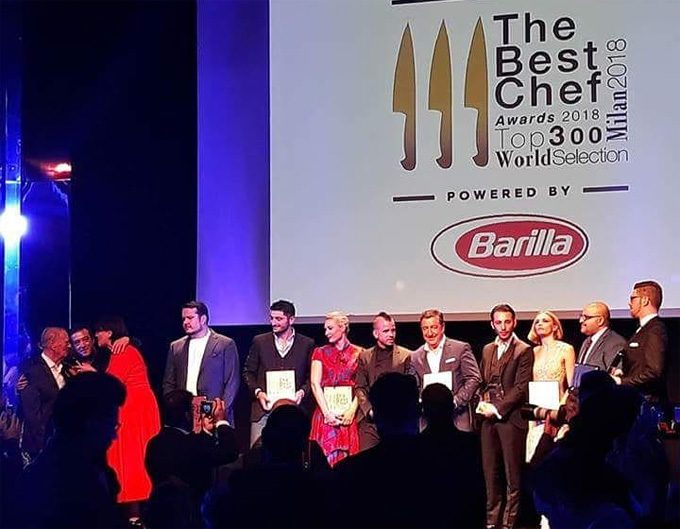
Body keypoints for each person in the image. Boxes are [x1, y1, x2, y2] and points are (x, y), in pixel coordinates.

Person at [11, 372, 127, 529]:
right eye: (110, 425)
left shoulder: (97, 469)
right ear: (90, 423)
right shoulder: (55, 483)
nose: (113, 436)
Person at [94, 317, 161, 520]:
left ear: (109, 332)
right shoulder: (115, 351)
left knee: (133, 458)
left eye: (99, 331)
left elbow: (111, 384)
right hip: (131, 408)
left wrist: (91, 374)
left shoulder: (123, 351)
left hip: (135, 411)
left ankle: (135, 513)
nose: (96, 335)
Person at [145, 390, 238, 528]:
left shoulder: (154, 444)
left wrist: (206, 432)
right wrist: (221, 422)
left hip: (160, 517)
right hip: (191, 517)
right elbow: (229, 452)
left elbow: (194, 451)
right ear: (187, 415)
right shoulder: (191, 445)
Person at [477, 304, 533, 529]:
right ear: (492, 324)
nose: (503, 327)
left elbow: (520, 388)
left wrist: (498, 408)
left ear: (514, 322)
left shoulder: (523, 350)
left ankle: (509, 524)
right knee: (491, 474)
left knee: (512, 476)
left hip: (511, 420)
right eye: (498, 322)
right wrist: (482, 403)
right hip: (488, 421)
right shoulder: (487, 349)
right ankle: (492, 522)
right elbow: (483, 382)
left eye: (507, 322)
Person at [243, 299, 315, 447]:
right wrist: (258, 392)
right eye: (272, 318)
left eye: (279, 319)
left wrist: (302, 392)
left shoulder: (306, 343)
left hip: (294, 412)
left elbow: (311, 376)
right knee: (258, 454)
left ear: (291, 319)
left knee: (293, 452)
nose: (273, 323)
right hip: (264, 410)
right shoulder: (260, 341)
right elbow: (248, 372)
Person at [163, 301, 240, 424]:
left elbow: (232, 382)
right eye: (183, 319)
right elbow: (169, 382)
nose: (186, 322)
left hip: (213, 411)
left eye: (190, 318)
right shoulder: (176, 347)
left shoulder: (225, 344)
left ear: (203, 319)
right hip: (185, 413)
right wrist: (173, 407)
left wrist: (222, 410)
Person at [411, 309, 481, 432]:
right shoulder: (415, 356)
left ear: (442, 327)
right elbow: (414, 386)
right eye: (425, 328)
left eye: (434, 327)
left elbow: (474, 378)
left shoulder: (460, 349)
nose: (429, 333)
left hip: (457, 419)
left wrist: (456, 401)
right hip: (427, 423)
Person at [355, 312, 413, 451]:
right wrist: (369, 410)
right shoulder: (365, 357)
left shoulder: (406, 356)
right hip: (372, 422)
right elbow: (360, 387)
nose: (391, 334)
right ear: (376, 334)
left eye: (393, 330)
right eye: (386, 331)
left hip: (397, 421)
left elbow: (411, 388)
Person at [309, 311, 361, 466]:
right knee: (325, 461)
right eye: (325, 329)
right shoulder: (320, 352)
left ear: (342, 327)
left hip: (348, 414)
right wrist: (327, 413)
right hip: (326, 414)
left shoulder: (359, 353)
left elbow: (362, 386)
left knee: (348, 463)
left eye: (330, 328)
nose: (326, 333)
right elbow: (314, 383)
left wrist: (351, 410)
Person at [525, 311, 575, 463]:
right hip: (536, 412)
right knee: (535, 458)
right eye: (537, 321)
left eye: (545, 321)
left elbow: (572, 385)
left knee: (552, 457)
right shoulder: (533, 351)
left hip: (557, 410)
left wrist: (559, 409)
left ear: (554, 326)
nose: (540, 324)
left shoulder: (566, 349)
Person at [612, 280, 668, 403]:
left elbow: (653, 372)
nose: (629, 303)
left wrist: (621, 381)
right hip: (636, 402)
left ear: (645, 301)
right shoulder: (643, 329)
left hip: (647, 404)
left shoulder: (655, 330)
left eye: (633, 298)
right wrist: (622, 372)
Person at [18, 327, 69, 459]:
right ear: (52, 344)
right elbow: (33, 416)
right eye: (66, 342)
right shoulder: (31, 371)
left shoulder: (68, 369)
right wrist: (44, 450)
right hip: (41, 447)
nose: (69, 346)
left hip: (63, 443)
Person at [577, 302, 626, 371]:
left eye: (586, 317)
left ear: (600, 320)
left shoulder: (614, 343)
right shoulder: (586, 342)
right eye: (581, 316)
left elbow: (614, 374)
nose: (581, 321)